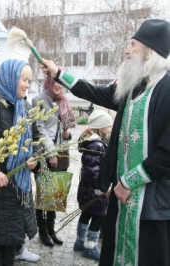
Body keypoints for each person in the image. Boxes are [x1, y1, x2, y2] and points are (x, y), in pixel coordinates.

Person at [40, 19, 170, 266]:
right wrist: (59, 74)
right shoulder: (135, 88)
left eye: (132, 45)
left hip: (150, 204)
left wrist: (128, 181)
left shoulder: (166, 89)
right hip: (123, 201)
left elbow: (167, 152)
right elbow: (96, 92)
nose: (127, 50)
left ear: (150, 51)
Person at [0, 59, 39, 265]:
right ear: (10, 79)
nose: (28, 85)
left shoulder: (25, 108)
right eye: (24, 79)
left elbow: (36, 140)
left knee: (12, 240)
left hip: (20, 189)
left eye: (28, 80)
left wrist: (34, 159)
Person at [31, 76, 75, 247]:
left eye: (61, 84)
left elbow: (69, 126)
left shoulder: (64, 100)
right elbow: (39, 129)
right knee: (44, 194)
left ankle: (52, 229)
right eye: (55, 83)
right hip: (46, 153)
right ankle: (42, 232)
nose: (59, 87)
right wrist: (51, 153)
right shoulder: (38, 100)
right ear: (49, 83)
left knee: (57, 194)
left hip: (62, 152)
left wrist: (68, 135)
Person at [74, 110, 112, 261]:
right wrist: (101, 187)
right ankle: (90, 247)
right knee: (98, 216)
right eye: (108, 126)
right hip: (95, 190)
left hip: (87, 189)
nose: (110, 129)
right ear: (100, 126)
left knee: (87, 213)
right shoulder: (97, 144)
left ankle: (79, 242)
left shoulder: (93, 141)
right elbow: (93, 169)